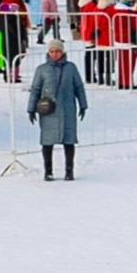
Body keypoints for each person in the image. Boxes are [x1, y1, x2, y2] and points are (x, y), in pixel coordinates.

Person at [27, 41, 88, 181]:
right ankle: (48, 171)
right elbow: (35, 90)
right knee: (47, 141)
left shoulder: (71, 68)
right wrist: (31, 109)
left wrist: (83, 105)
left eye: (57, 51)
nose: (55, 54)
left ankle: (69, 171)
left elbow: (79, 87)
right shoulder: (42, 69)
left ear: (63, 52)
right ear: (48, 52)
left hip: (68, 110)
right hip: (49, 111)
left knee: (69, 140)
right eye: (52, 51)